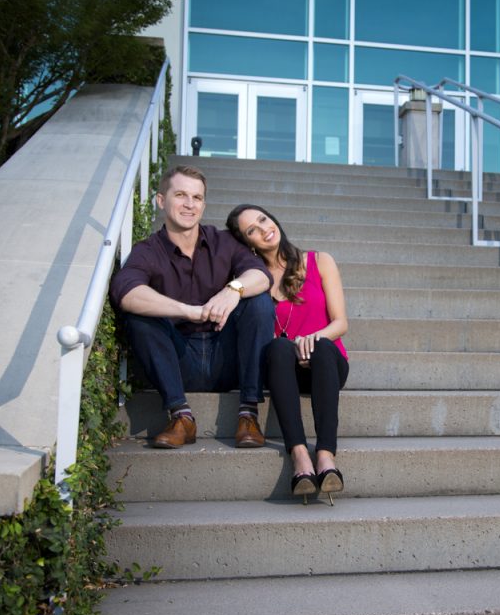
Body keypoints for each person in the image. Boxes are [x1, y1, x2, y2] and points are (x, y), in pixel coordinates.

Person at [110, 166, 275, 449]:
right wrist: (189, 311)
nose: (189, 204)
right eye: (181, 195)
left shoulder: (225, 242)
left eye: (197, 197)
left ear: (204, 204)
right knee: (140, 315)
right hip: (178, 359)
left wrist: (232, 290)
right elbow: (125, 291)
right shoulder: (147, 250)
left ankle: (248, 415)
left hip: (227, 358)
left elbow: (261, 276)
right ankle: (181, 417)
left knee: (258, 301)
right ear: (161, 200)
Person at [226, 204, 350, 505]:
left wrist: (311, 339)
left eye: (263, 219)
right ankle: (299, 456)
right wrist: (294, 346)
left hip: (327, 363)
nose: (264, 229)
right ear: (247, 243)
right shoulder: (254, 280)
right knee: (279, 347)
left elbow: (341, 323)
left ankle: (324, 455)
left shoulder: (319, 260)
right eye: (252, 230)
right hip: (286, 369)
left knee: (321, 348)